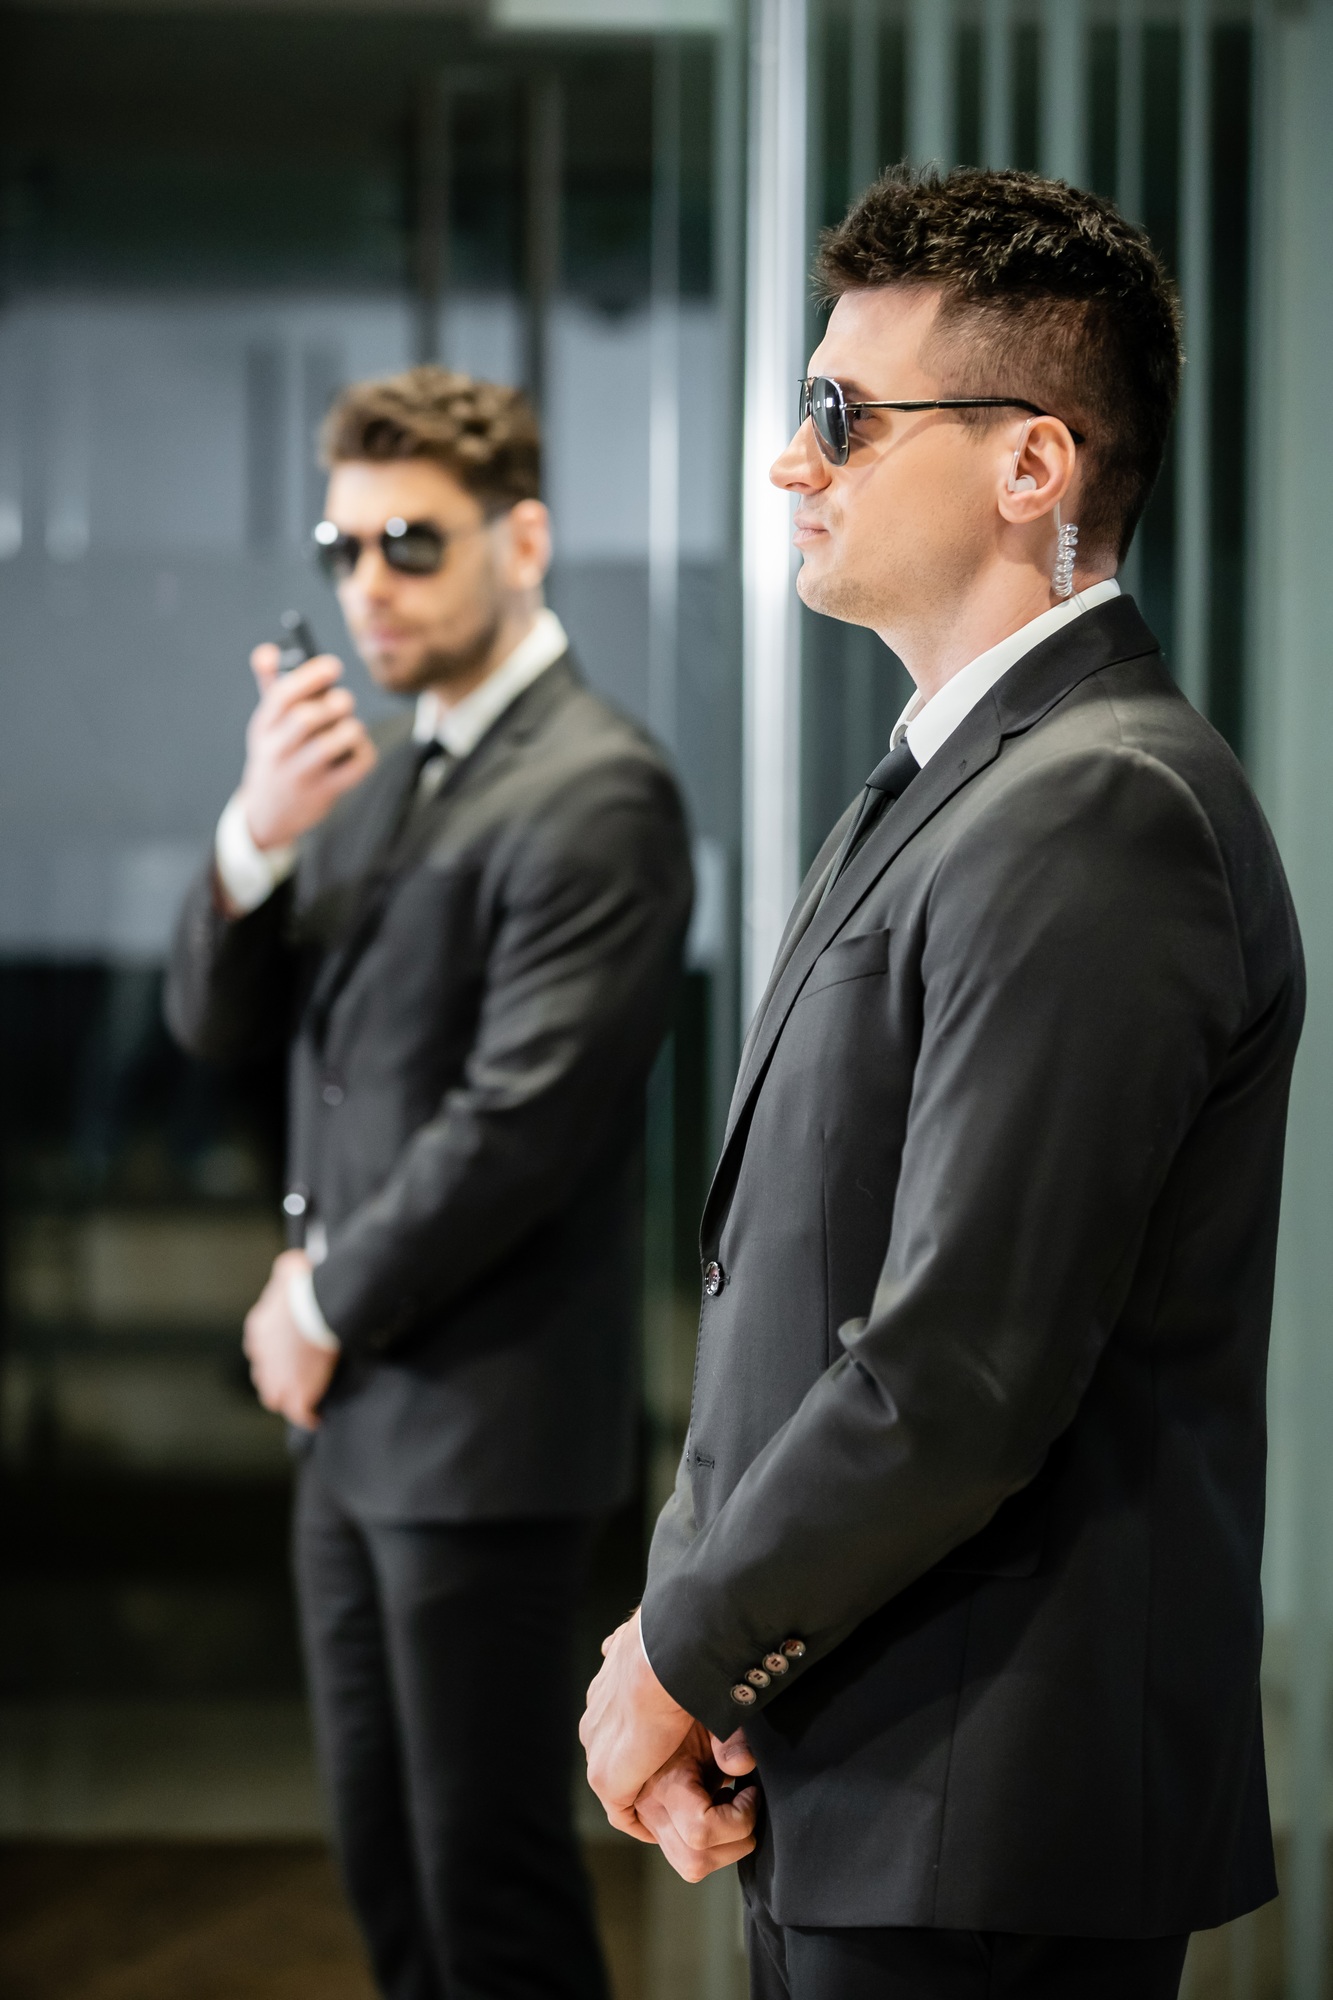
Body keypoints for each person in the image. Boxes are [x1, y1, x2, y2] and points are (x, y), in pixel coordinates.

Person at [581, 166, 1304, 2000]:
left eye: (841, 415)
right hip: (864, 1764)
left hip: (987, 1812)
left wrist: (677, 1652)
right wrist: (714, 1665)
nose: (789, 462)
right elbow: (791, 1283)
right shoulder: (952, 782)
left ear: (1031, 467)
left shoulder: (1100, 809)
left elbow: (957, 1368)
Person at [166, 366, 693, 2000]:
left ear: (521, 537)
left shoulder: (600, 786)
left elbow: (515, 1123)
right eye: (343, 547)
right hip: (352, 1435)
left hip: (483, 1435)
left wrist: (318, 1297)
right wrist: (255, 839)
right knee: (390, 1886)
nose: (366, 585)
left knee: (493, 1901)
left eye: (411, 542)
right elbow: (218, 1025)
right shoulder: (383, 782)